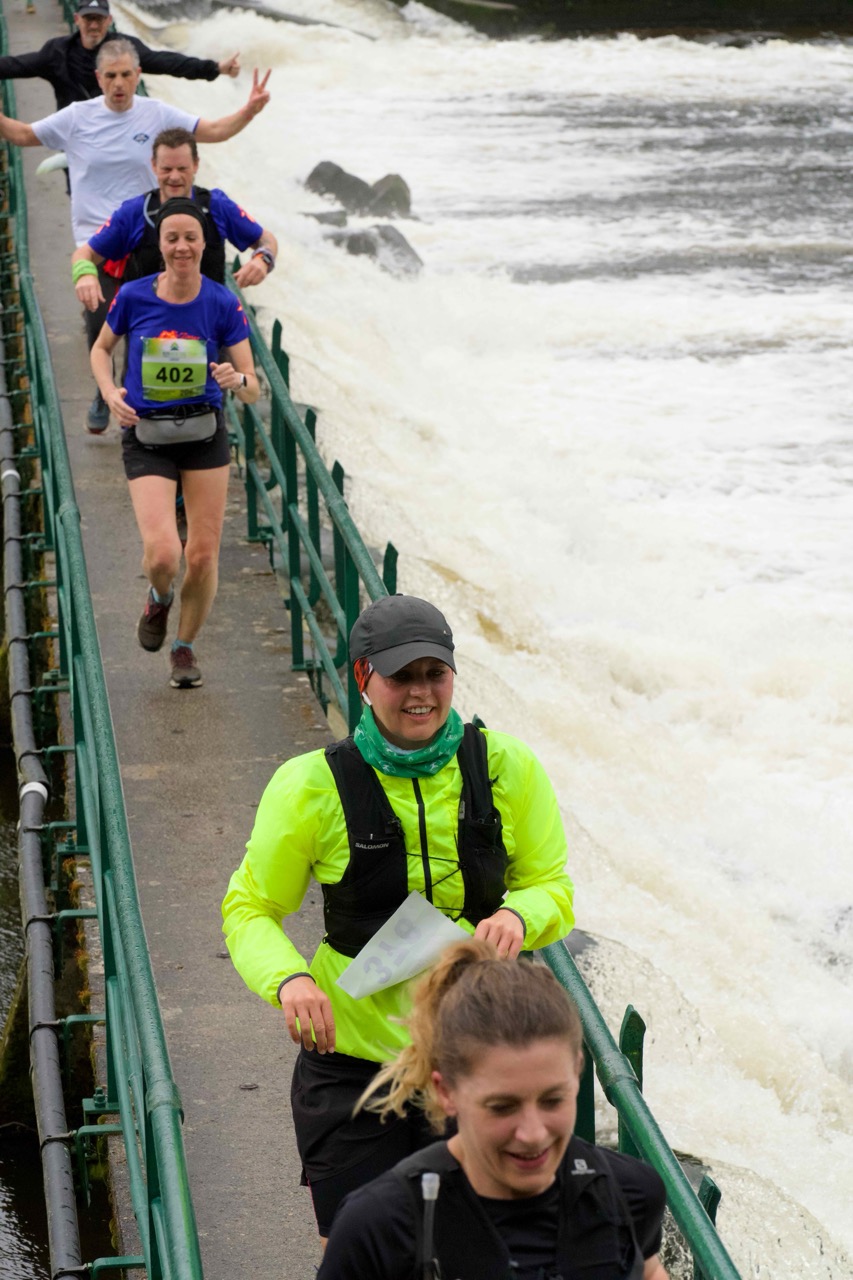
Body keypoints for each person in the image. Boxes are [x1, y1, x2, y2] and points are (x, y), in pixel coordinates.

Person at [221, 593, 575, 1239]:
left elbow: (551, 885)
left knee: (471, 1249)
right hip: (354, 1067)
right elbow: (251, 908)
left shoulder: (507, 767)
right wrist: (289, 980)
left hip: (477, 1058)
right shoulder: (308, 786)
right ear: (363, 678)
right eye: (401, 676)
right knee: (362, 1247)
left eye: (435, 674)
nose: (421, 693)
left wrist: (520, 917)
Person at [318, 938, 670, 1280]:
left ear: (577, 1071)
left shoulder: (630, 1194)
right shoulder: (379, 1228)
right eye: (502, 1107)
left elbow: (649, 1271)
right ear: (445, 1092)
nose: (533, 1134)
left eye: (553, 1100)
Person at [0, 38, 270, 430]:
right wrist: (83, 271)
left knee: (154, 325)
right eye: (111, 76)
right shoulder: (78, 117)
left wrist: (249, 111)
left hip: (157, 232)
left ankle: (184, 411)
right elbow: (24, 134)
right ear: (99, 78)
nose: (119, 83)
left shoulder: (157, 117)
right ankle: (107, 391)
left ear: (138, 74)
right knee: (103, 321)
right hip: (105, 237)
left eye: (126, 74)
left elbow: (212, 130)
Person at [89, 196, 260, 688]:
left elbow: (252, 387)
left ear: (205, 244)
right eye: (172, 238)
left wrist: (235, 380)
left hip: (203, 434)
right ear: (160, 245)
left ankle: (183, 648)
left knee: (202, 555)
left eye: (191, 238)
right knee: (164, 554)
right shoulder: (133, 296)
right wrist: (110, 393)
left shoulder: (221, 302)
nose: (182, 246)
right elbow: (101, 350)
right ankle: (160, 596)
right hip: (146, 434)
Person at [71, 125, 277, 432]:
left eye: (182, 168)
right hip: (148, 333)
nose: (175, 177)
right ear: (153, 166)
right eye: (166, 169)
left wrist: (264, 259)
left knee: (206, 422)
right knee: (139, 418)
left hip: (206, 330)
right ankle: (108, 401)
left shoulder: (216, 206)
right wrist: (85, 275)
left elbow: (266, 240)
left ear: (196, 165)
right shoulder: (136, 212)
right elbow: (84, 254)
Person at [0, 0, 240, 114]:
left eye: (99, 19)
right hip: (77, 137)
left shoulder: (124, 48)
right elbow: (18, 65)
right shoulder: (57, 52)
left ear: (109, 21)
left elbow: (166, 62)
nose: (94, 25)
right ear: (77, 20)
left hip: (118, 131)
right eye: (88, 19)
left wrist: (215, 68)